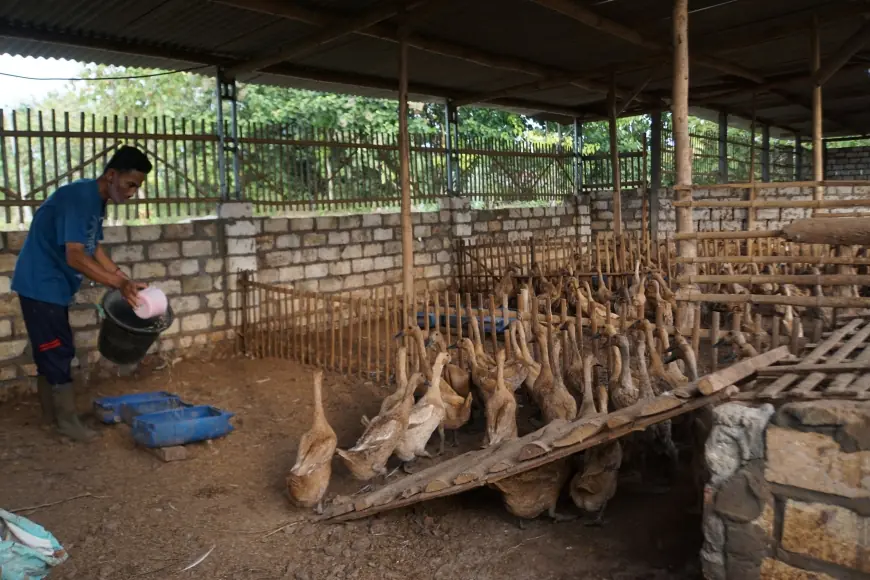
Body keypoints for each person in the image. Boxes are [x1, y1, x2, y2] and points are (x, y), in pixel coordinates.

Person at [12, 146, 151, 442]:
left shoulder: (96, 199)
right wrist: (118, 286)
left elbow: (93, 248)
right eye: (130, 184)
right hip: (41, 284)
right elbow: (75, 256)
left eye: (136, 187)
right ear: (112, 175)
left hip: (52, 285)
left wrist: (125, 280)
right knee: (57, 349)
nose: (132, 193)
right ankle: (66, 422)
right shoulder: (79, 198)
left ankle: (52, 417)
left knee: (50, 350)